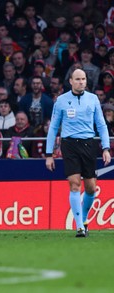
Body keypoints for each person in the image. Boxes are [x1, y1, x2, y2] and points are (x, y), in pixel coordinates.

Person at [46, 68, 111, 238]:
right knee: (74, 184)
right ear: (71, 81)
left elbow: (102, 125)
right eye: (78, 79)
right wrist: (49, 154)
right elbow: (53, 127)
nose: (81, 82)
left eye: (83, 79)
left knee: (90, 188)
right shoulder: (61, 101)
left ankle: (83, 218)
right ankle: (80, 226)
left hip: (89, 144)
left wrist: (106, 148)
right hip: (69, 144)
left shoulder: (93, 99)